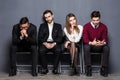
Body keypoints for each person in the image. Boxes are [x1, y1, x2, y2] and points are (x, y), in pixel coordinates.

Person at [83, 11, 109, 77]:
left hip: (99, 46)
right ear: (91, 19)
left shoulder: (104, 27)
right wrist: (92, 42)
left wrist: (102, 42)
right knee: (86, 47)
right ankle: (88, 68)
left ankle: (104, 68)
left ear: (99, 19)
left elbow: (105, 38)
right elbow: (85, 39)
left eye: (97, 20)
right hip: (90, 45)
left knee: (106, 48)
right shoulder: (86, 26)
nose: (95, 22)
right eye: (94, 20)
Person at [38, 10, 63, 74]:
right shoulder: (42, 26)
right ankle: (44, 68)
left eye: (49, 16)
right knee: (41, 50)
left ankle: (55, 69)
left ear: (52, 16)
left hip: (55, 43)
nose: (47, 18)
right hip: (45, 43)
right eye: (46, 17)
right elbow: (40, 37)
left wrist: (54, 43)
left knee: (58, 50)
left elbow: (60, 37)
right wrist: (45, 43)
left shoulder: (58, 26)